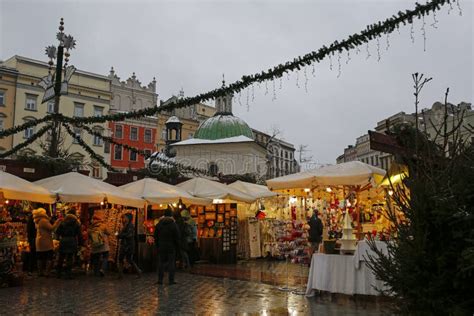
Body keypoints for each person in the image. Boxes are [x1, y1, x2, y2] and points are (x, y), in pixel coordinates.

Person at [154, 209, 180, 285]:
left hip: (161, 246)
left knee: (161, 263)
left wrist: (158, 245)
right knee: (171, 263)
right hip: (171, 247)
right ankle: (171, 280)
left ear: (164, 215)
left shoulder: (159, 224)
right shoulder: (173, 224)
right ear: (171, 215)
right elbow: (177, 237)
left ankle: (160, 280)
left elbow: (155, 236)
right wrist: (177, 246)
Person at [33, 208, 61, 277]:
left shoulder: (37, 220)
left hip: (39, 241)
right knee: (49, 256)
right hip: (45, 241)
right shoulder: (43, 220)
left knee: (40, 257)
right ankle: (47, 272)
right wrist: (57, 222)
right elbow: (52, 228)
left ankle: (40, 272)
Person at [56, 209, 82, 279]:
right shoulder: (76, 223)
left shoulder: (63, 222)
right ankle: (68, 273)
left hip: (63, 240)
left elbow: (57, 232)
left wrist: (59, 238)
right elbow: (79, 234)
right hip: (72, 241)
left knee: (61, 257)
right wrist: (80, 243)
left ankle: (59, 273)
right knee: (69, 258)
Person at [117, 213, 142, 278]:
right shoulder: (125, 225)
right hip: (124, 245)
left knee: (129, 260)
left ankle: (138, 271)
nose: (123, 219)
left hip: (128, 245)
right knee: (121, 259)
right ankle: (120, 274)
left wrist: (120, 235)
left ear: (128, 218)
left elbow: (129, 235)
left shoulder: (130, 226)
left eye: (125, 217)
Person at [88, 212, 110, 277]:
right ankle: (102, 269)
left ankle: (96, 272)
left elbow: (89, 236)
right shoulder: (103, 225)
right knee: (105, 257)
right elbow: (109, 233)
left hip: (95, 245)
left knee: (96, 258)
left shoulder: (91, 227)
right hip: (103, 245)